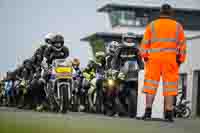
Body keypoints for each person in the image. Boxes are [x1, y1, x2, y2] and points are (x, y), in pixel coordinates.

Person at [140, 4, 186, 122]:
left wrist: (145, 57)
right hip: (170, 59)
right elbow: (182, 46)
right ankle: (169, 114)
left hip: (154, 59)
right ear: (171, 13)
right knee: (170, 86)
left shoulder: (152, 25)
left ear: (160, 12)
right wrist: (180, 60)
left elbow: (144, 43)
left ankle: (148, 112)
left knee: (150, 85)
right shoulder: (177, 26)